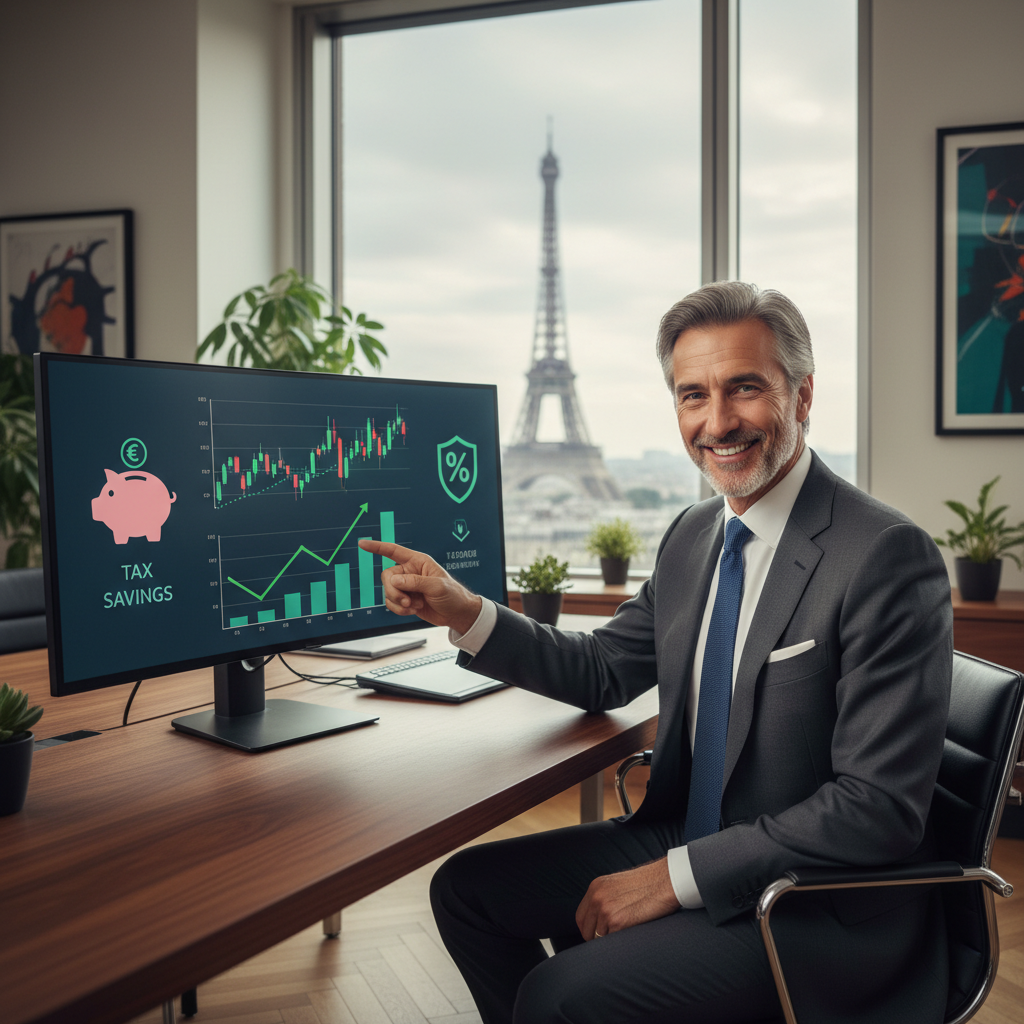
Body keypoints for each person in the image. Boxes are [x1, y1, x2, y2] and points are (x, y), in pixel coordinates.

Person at [359, 281, 953, 1024]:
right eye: (692, 395)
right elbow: (604, 669)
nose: (717, 421)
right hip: (691, 834)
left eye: (745, 388)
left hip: (809, 902)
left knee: (557, 994)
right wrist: (468, 612)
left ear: (802, 397)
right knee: (466, 891)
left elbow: (877, 810)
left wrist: (672, 879)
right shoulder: (694, 536)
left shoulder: (883, 556)